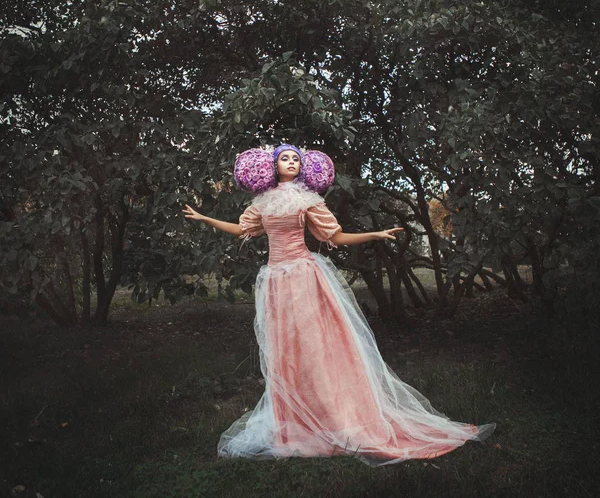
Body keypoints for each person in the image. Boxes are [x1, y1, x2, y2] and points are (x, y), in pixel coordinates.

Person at [182, 144, 495, 466]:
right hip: (276, 279)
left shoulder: (307, 200)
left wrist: (374, 234)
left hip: (303, 276)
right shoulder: (262, 202)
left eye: (295, 159)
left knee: (317, 344)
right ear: (272, 166)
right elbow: (241, 230)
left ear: (303, 167)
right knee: (286, 349)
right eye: (284, 159)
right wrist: (204, 217)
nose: (290, 162)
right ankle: (297, 421)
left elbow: (337, 236)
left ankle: (335, 414)